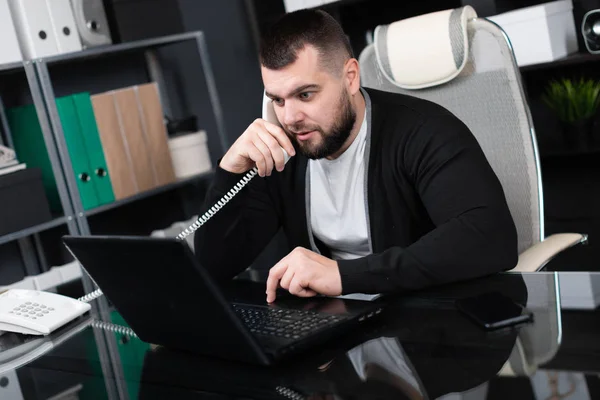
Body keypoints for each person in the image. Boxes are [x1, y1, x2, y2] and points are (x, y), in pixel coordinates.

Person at [195, 9, 518, 303]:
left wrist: (343, 275)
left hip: (427, 323)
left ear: (350, 77)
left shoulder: (425, 131)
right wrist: (229, 172)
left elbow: (490, 237)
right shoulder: (283, 151)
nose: (290, 117)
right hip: (339, 326)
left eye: (305, 94)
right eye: (277, 100)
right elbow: (215, 266)